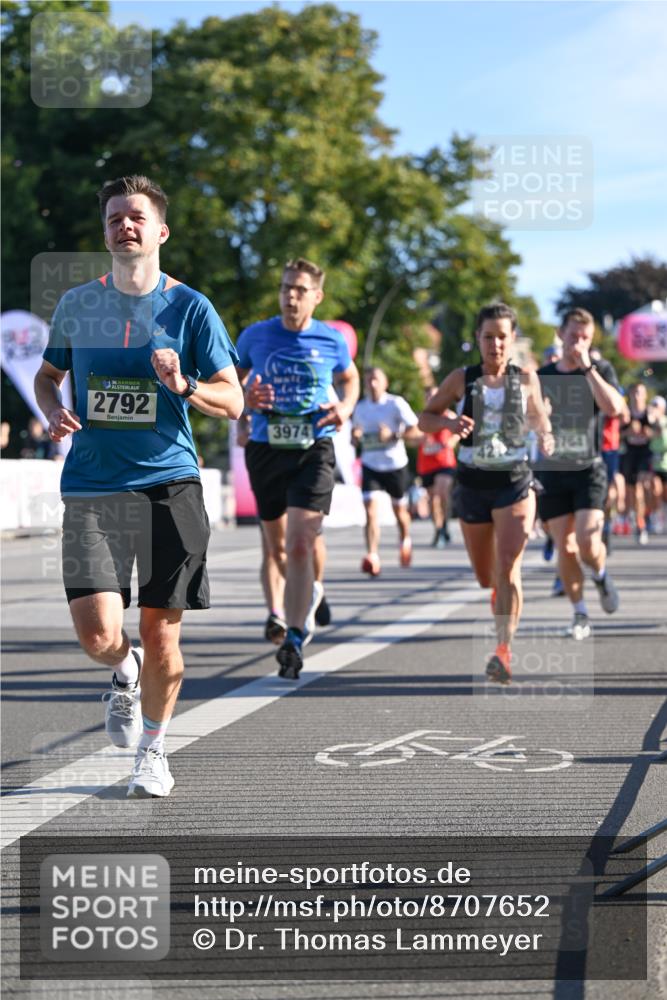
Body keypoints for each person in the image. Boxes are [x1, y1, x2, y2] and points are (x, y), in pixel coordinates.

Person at [33, 174, 243, 798]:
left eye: (136, 217)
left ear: (160, 231)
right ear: (107, 233)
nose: (124, 225)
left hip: (168, 485)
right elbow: (49, 377)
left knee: (161, 633)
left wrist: (183, 385)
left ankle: (152, 751)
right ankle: (122, 673)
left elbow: (231, 401)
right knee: (99, 635)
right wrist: (51, 409)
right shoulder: (77, 305)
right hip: (93, 486)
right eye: (115, 218)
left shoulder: (191, 308)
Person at [236, 258, 359, 679]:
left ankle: (293, 635)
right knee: (277, 549)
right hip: (266, 448)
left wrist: (344, 407)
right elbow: (231, 382)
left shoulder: (330, 340)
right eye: (286, 287)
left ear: (316, 297)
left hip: (313, 447)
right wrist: (244, 406)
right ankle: (311, 593)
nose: (290, 296)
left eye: (300, 290)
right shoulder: (255, 336)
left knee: (302, 540)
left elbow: (350, 378)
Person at [420, 302, 553, 684]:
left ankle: (503, 651)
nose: (495, 344)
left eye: (502, 337)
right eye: (488, 336)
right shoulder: (462, 379)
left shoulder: (526, 378)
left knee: (509, 565)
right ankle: (498, 598)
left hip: (514, 482)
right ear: (477, 339)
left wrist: (545, 433)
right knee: (486, 576)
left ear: (513, 340)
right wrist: (448, 421)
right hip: (473, 484)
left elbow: (539, 416)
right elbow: (424, 419)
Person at [536, 307, 624, 640]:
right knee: (566, 547)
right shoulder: (544, 375)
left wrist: (587, 367)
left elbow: (615, 409)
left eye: (585, 337)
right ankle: (580, 613)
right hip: (554, 471)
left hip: (589, 469)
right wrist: (541, 424)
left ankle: (600, 575)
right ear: (561, 334)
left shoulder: (600, 369)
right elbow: (533, 415)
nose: (578, 342)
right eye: (573, 335)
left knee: (588, 541)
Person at [352, 367, 422, 575]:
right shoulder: (360, 408)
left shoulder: (395, 403)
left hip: (394, 464)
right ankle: (372, 555)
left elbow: (416, 430)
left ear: (385, 383)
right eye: (368, 381)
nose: (372, 385)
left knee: (399, 511)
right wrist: (355, 437)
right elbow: (354, 435)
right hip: (370, 464)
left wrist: (392, 435)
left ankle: (405, 540)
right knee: (370, 511)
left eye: (376, 380)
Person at [416, 389, 459, 548]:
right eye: (428, 397)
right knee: (433, 499)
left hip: (445, 463)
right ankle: (439, 529)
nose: (431, 400)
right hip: (426, 465)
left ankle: (444, 525)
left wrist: (452, 441)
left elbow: (459, 432)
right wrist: (420, 439)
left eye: (434, 397)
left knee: (442, 494)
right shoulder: (422, 418)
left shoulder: (449, 415)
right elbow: (411, 438)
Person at [620, 382, 653, 545]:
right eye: (634, 393)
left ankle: (644, 519)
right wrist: (628, 431)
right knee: (632, 491)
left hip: (645, 454)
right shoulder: (625, 413)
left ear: (645, 395)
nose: (637, 396)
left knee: (642, 487)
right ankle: (640, 521)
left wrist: (649, 432)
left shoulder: (650, 413)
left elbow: (658, 432)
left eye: (640, 393)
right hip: (630, 453)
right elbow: (617, 433)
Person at [648, 394, 667, 533]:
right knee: (655, 489)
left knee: (665, 494)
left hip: (665, 462)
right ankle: (656, 517)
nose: (655, 409)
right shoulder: (650, 422)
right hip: (654, 463)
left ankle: (663, 515)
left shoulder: (664, 421)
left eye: (657, 406)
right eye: (653, 406)